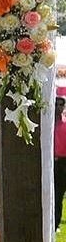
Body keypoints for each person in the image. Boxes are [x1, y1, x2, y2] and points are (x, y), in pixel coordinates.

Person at [54, 91, 66, 232]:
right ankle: (54, 223)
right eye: (56, 104)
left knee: (59, 195)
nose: (59, 107)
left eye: (61, 105)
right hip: (54, 163)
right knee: (55, 195)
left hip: (64, 163)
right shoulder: (49, 125)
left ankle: (57, 223)